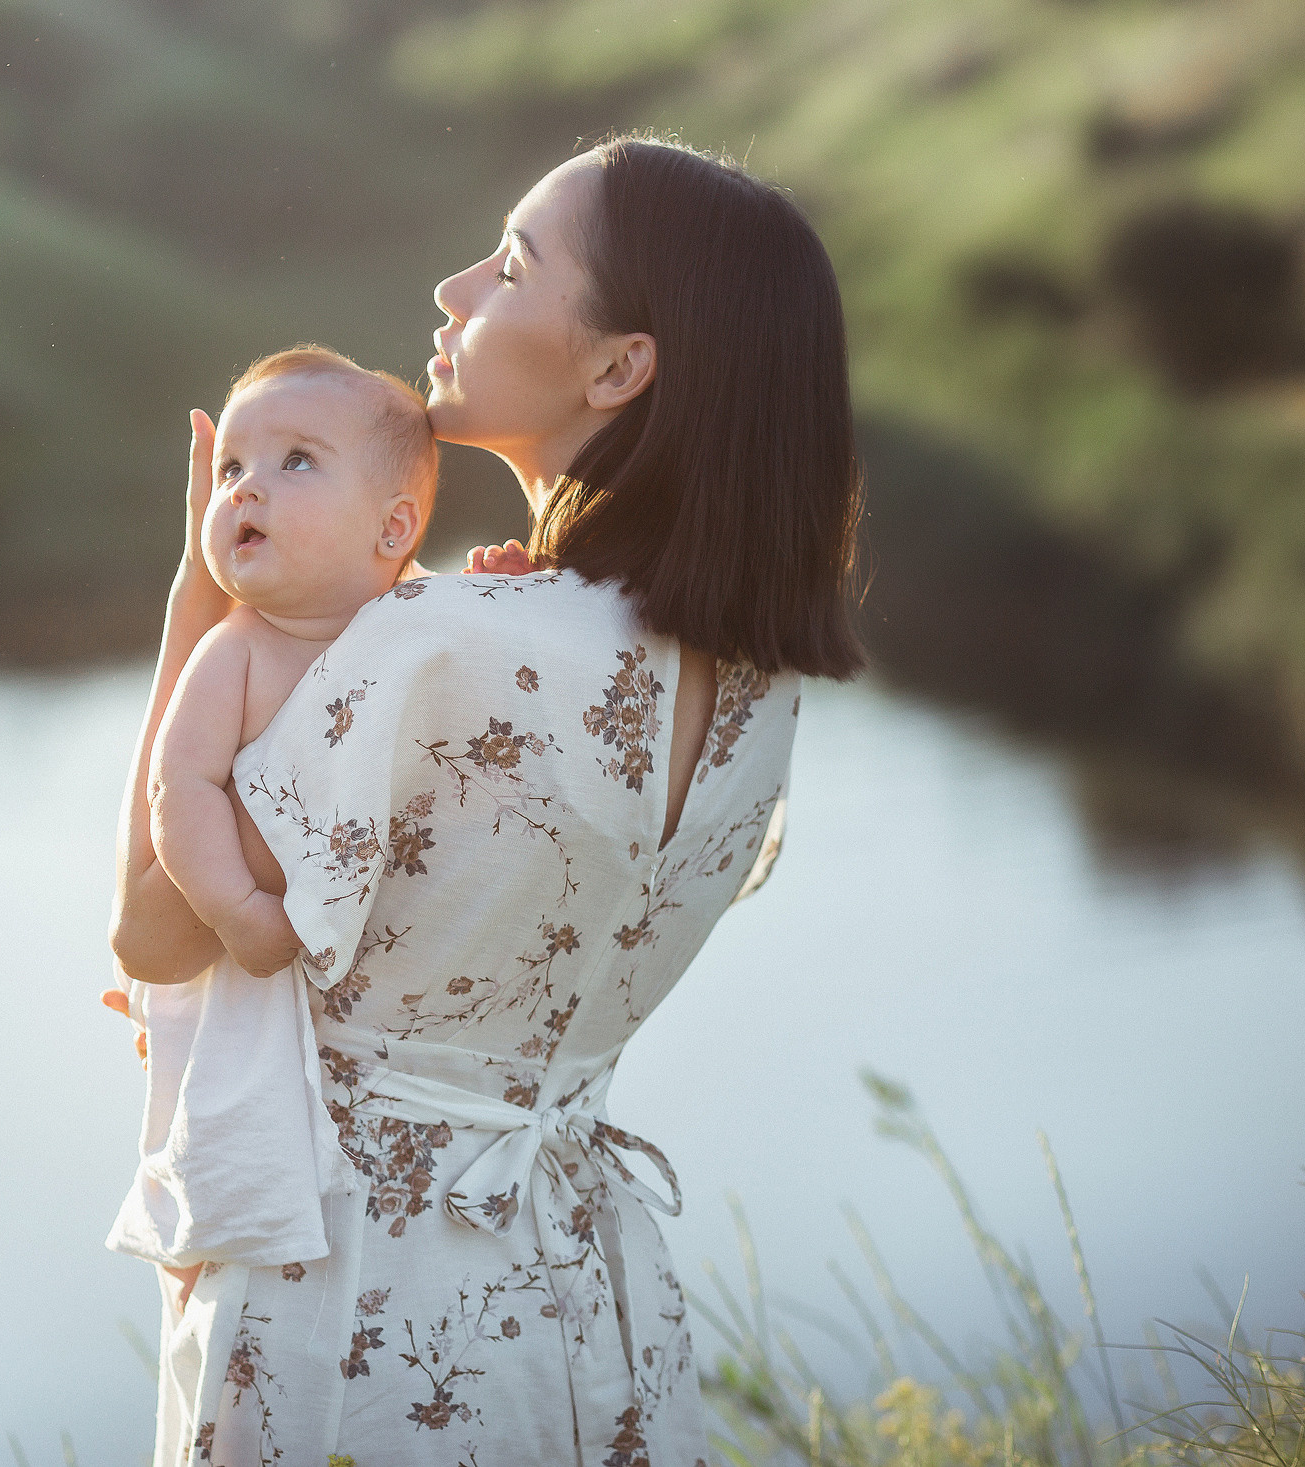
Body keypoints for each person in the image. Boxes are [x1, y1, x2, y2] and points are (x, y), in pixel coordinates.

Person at [108, 135, 865, 1466]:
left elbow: (156, 932)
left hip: (352, 1297)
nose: (454, 288)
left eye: (511, 265)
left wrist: (202, 613)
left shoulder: (434, 645)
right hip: (589, 1290)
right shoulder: (758, 680)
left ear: (620, 367)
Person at [105, 346, 437, 1301]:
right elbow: (183, 791)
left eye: (296, 460)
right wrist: (241, 905)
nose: (247, 487)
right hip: (254, 954)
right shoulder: (235, 653)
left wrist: (499, 573)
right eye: (231, 469)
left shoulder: (422, 616)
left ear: (394, 529)